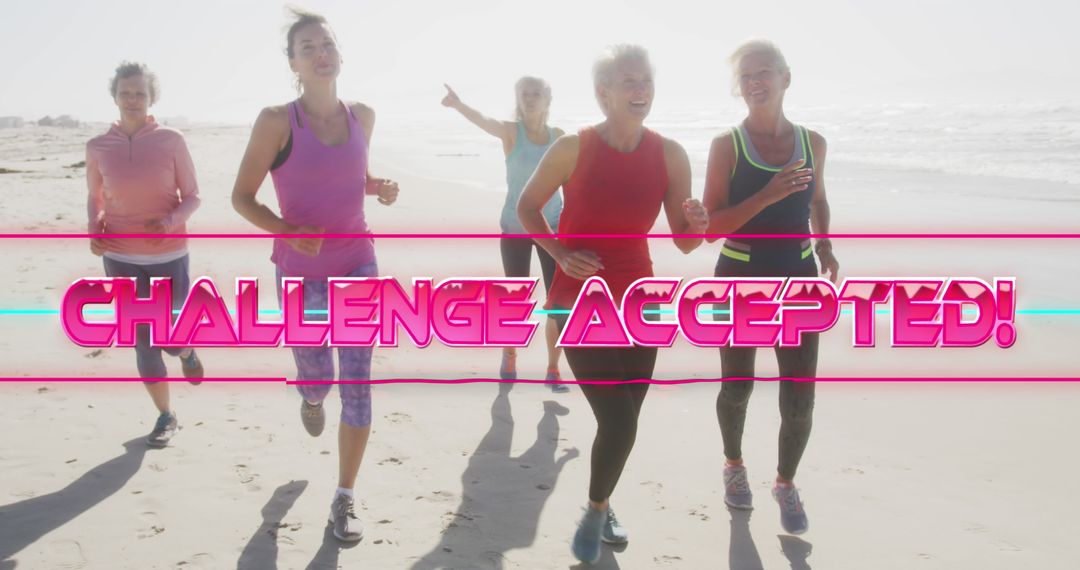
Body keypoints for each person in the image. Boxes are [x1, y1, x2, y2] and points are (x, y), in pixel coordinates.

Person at [518, 44, 708, 564]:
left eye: (645, 79)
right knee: (621, 421)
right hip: (579, 297)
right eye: (628, 81)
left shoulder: (669, 154)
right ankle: (596, 512)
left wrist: (698, 221)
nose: (640, 89)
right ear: (603, 94)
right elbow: (527, 208)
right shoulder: (570, 147)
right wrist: (558, 252)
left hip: (639, 299)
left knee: (622, 419)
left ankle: (601, 500)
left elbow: (686, 240)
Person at [230, 8, 400, 543]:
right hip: (300, 275)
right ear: (293, 64)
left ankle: (345, 499)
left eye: (327, 44)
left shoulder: (363, 116)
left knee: (357, 387)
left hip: (358, 265)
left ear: (340, 54)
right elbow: (241, 197)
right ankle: (308, 394)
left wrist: (378, 187)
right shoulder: (277, 121)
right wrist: (284, 230)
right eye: (308, 48)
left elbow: (352, 176)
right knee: (318, 378)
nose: (321, 54)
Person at [701, 39, 840, 536]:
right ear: (739, 88)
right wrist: (767, 194)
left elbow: (817, 199)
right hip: (739, 280)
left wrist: (825, 246)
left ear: (786, 77)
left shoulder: (813, 142)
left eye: (764, 72)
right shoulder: (726, 146)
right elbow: (711, 227)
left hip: (800, 281)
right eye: (746, 76)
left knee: (799, 395)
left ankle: (785, 482)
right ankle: (734, 465)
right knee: (737, 387)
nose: (755, 82)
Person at [86, 61, 204, 448]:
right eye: (125, 92)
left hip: (168, 256)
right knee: (143, 339)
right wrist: (94, 227)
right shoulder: (98, 146)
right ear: (115, 96)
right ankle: (166, 415)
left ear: (151, 97)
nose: (132, 99)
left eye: (139, 92)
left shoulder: (171, 140)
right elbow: (96, 197)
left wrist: (170, 221)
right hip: (119, 257)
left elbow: (194, 196)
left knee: (168, 336)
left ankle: (185, 349)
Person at [441, 79, 568, 391]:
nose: (530, 98)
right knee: (515, 298)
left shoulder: (560, 138)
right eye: (525, 94)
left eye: (537, 93)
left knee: (558, 300)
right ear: (518, 99)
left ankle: (553, 368)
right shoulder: (513, 133)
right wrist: (459, 105)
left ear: (548, 97)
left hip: (552, 227)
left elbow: (578, 175)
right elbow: (485, 122)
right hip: (515, 227)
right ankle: (510, 353)